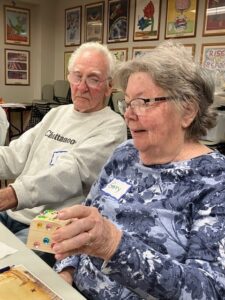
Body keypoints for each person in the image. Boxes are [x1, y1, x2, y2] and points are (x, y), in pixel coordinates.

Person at [52, 40, 225, 299]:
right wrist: (64, 273)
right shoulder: (125, 154)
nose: (129, 115)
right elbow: (85, 223)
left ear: (187, 111)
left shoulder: (214, 180)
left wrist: (114, 246)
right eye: (128, 102)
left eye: (144, 101)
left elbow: (210, 290)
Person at [0, 42, 127, 258]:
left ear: (109, 86)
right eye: (77, 76)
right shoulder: (56, 114)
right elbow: (15, 154)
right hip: (14, 212)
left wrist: (13, 194)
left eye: (93, 79)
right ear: (69, 77)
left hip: (51, 227)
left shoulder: (113, 126)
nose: (82, 86)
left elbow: (71, 172)